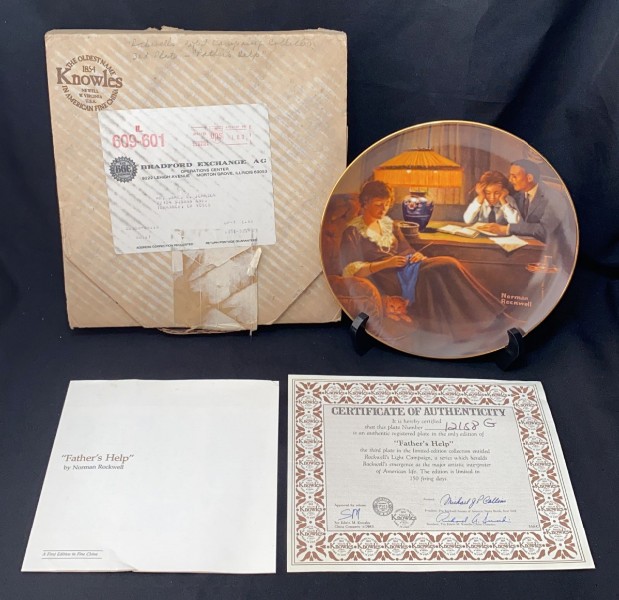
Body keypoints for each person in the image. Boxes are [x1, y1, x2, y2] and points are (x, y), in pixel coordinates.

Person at [339, 180, 506, 339]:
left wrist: (417, 255)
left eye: (387, 204)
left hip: (406, 268)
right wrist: (386, 263)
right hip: (387, 278)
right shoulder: (353, 231)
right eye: (378, 204)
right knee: (446, 265)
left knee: (448, 265)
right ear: (365, 203)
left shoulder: (390, 225)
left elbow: (406, 250)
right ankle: (490, 316)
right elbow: (350, 270)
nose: (384, 208)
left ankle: (484, 320)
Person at [478, 159, 562, 242]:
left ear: (529, 178)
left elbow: (544, 230)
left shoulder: (554, 198)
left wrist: (507, 229)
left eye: (514, 176)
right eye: (510, 176)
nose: (510, 180)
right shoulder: (517, 193)